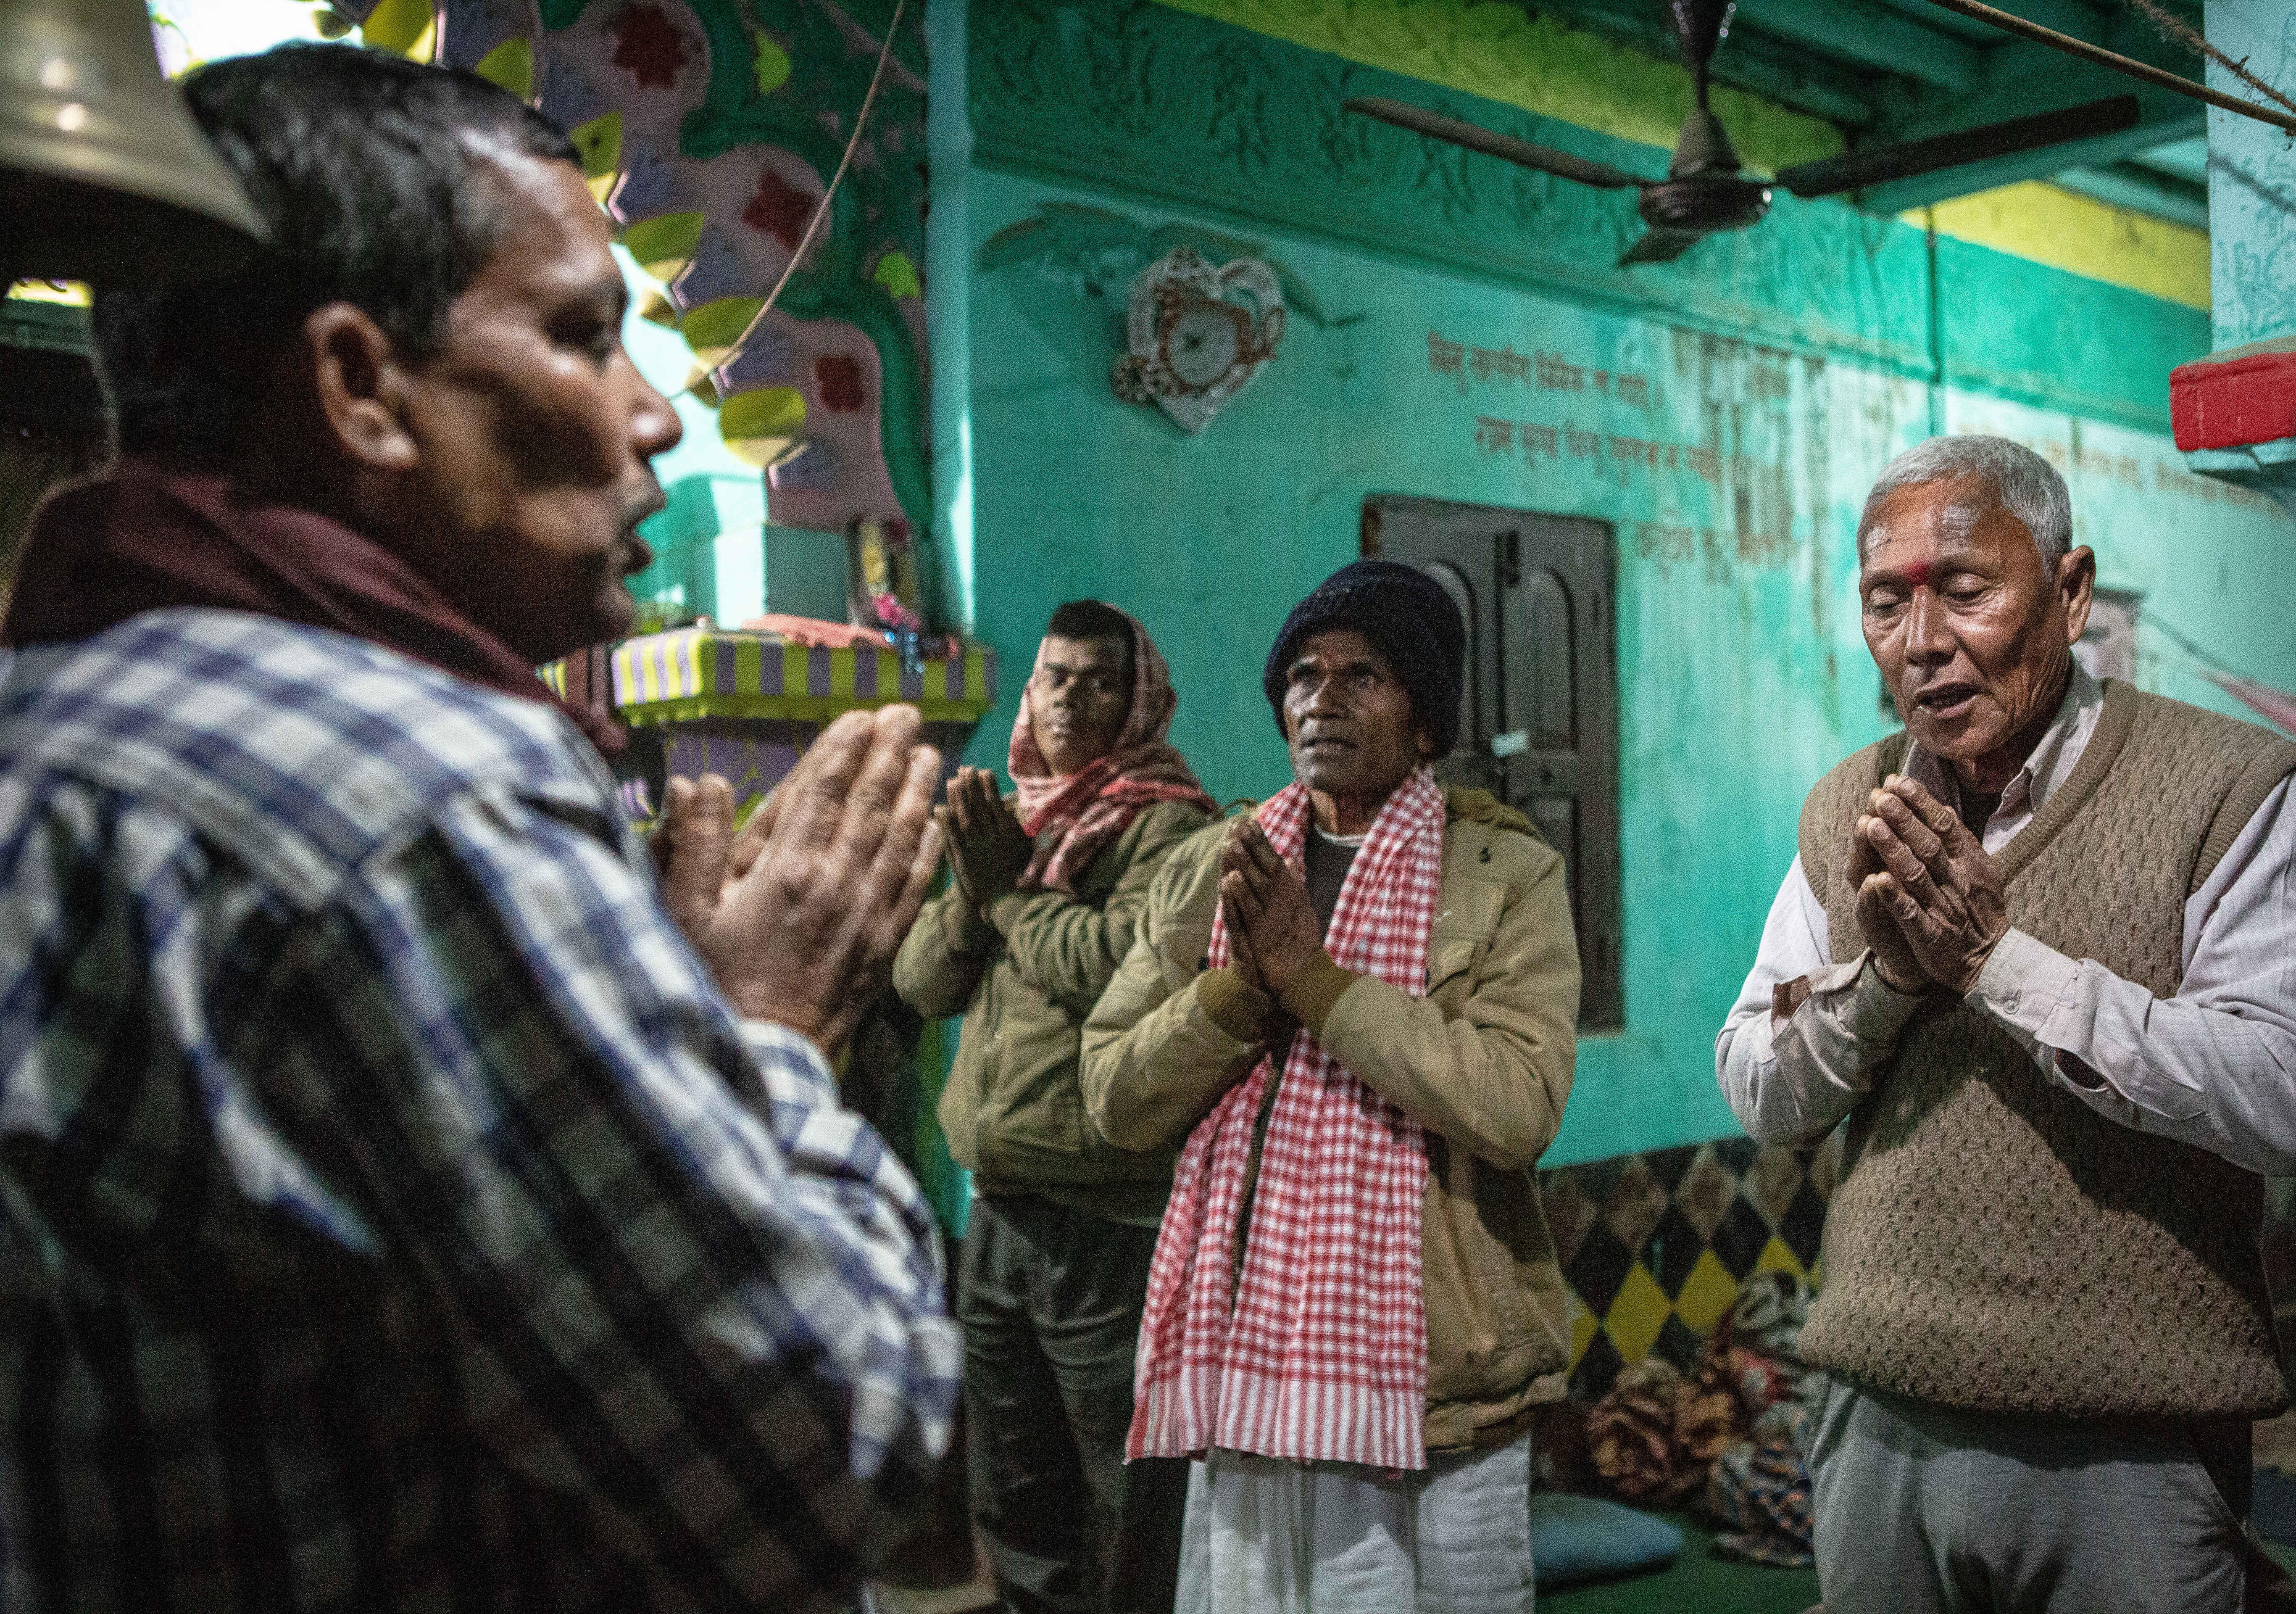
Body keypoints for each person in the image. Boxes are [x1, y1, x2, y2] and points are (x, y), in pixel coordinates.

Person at [0, 46, 958, 1612]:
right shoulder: (419, 796)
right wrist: (771, 1032)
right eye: (587, 337)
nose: (655, 418)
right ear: (359, 388)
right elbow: (831, 1452)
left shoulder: (61, 718)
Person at [1716, 435, 2296, 1614]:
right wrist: (1890, 985)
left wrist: (2000, 966)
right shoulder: (1850, 807)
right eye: (1885, 602)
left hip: (2127, 1449)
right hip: (1878, 1423)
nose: (1921, 643)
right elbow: (1759, 1086)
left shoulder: (2230, 789)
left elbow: (2292, 1093)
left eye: (1964, 591)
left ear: (2068, 590)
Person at [1080, 559, 1581, 1614]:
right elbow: (1116, 1096)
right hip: (1250, 1369)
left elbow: (1516, 1104)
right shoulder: (1220, 870)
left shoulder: (1501, 873)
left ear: (1428, 722)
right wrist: (1238, 998)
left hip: (1442, 1393)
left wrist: (1314, 982)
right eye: (1303, 676)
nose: (1323, 699)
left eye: (1364, 677)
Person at [893, 600, 1216, 1614]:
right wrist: (975, 891)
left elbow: (1121, 973)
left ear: (1139, 701)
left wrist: (1008, 897)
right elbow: (920, 985)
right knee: (1015, 1504)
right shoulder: (1020, 820)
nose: (1072, 698)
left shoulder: (1170, 826)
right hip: (996, 1214)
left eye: (1098, 681)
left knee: (1127, 1508)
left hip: (1106, 1224)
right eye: (1055, 677)